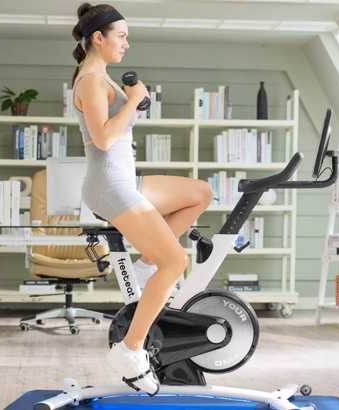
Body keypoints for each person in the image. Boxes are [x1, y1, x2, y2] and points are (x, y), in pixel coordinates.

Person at [71, 3, 213, 396]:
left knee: (200, 193)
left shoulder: (103, 78)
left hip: (124, 179)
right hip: (109, 185)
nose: (126, 44)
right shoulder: (90, 81)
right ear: (97, 38)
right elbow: (102, 138)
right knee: (178, 260)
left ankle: (149, 266)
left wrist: (130, 97)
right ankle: (130, 349)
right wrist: (134, 100)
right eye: (121, 36)